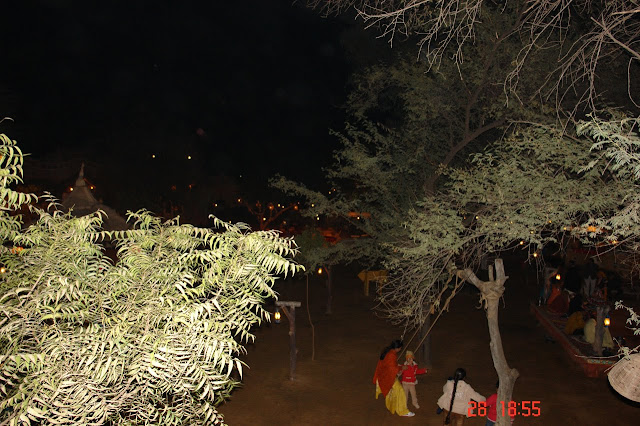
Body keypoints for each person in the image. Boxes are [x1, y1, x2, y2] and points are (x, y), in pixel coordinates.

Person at [372, 340, 415, 417]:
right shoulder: (391, 355)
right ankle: (403, 411)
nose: (400, 350)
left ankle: (393, 406)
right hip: (388, 377)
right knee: (400, 391)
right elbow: (392, 369)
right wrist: (401, 367)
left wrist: (398, 367)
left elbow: (390, 365)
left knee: (392, 391)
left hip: (384, 375)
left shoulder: (388, 351)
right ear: (397, 348)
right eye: (400, 348)